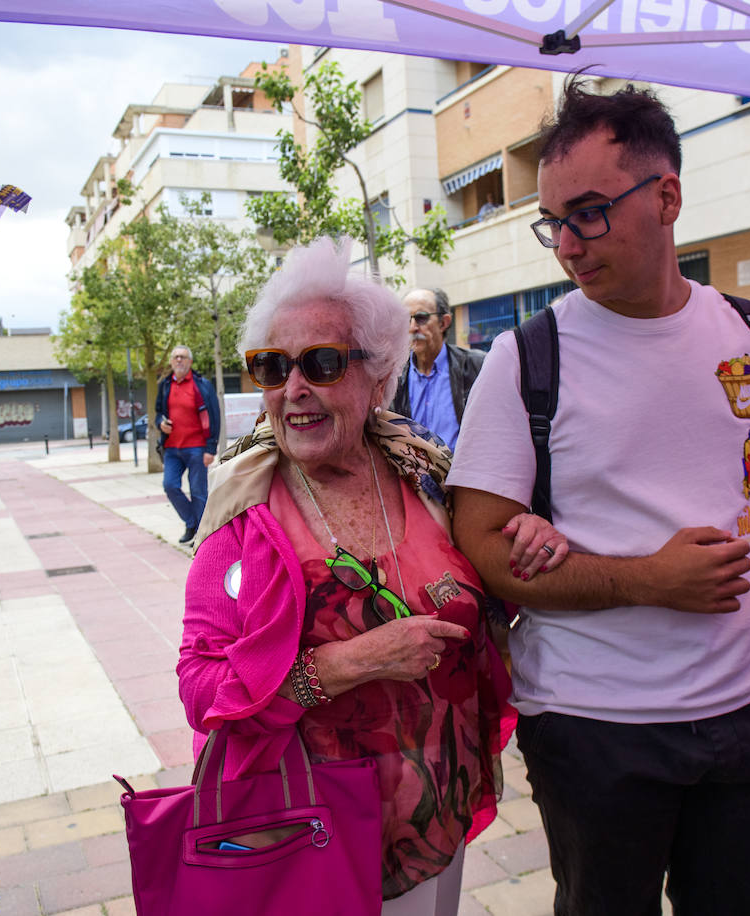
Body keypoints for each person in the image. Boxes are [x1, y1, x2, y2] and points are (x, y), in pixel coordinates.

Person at [447, 78, 750, 915]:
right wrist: (645, 578)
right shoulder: (527, 359)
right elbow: (482, 542)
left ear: (667, 195)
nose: (568, 245)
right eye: (554, 223)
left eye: (588, 212)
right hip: (591, 724)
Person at [177, 237, 515, 913]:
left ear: (379, 375)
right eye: (273, 367)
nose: (293, 389)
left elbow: (489, 586)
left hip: (434, 822)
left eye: (322, 364)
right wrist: (344, 664)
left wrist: (522, 537)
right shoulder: (244, 516)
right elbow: (201, 687)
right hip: (313, 832)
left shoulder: (425, 481)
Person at [389, 288, 485, 450]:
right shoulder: (394, 376)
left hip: (463, 472)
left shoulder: (477, 366)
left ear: (444, 322)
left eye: (421, 318)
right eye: (406, 320)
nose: (412, 327)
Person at [155, 345, 220, 543]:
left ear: (190, 361)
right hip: (172, 448)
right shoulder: (165, 385)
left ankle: (202, 536)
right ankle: (191, 522)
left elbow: (213, 416)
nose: (179, 360)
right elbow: (158, 413)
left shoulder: (202, 385)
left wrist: (211, 448)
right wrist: (161, 423)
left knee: (199, 491)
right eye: (176, 357)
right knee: (170, 485)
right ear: (171, 362)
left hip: (197, 448)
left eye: (183, 357)